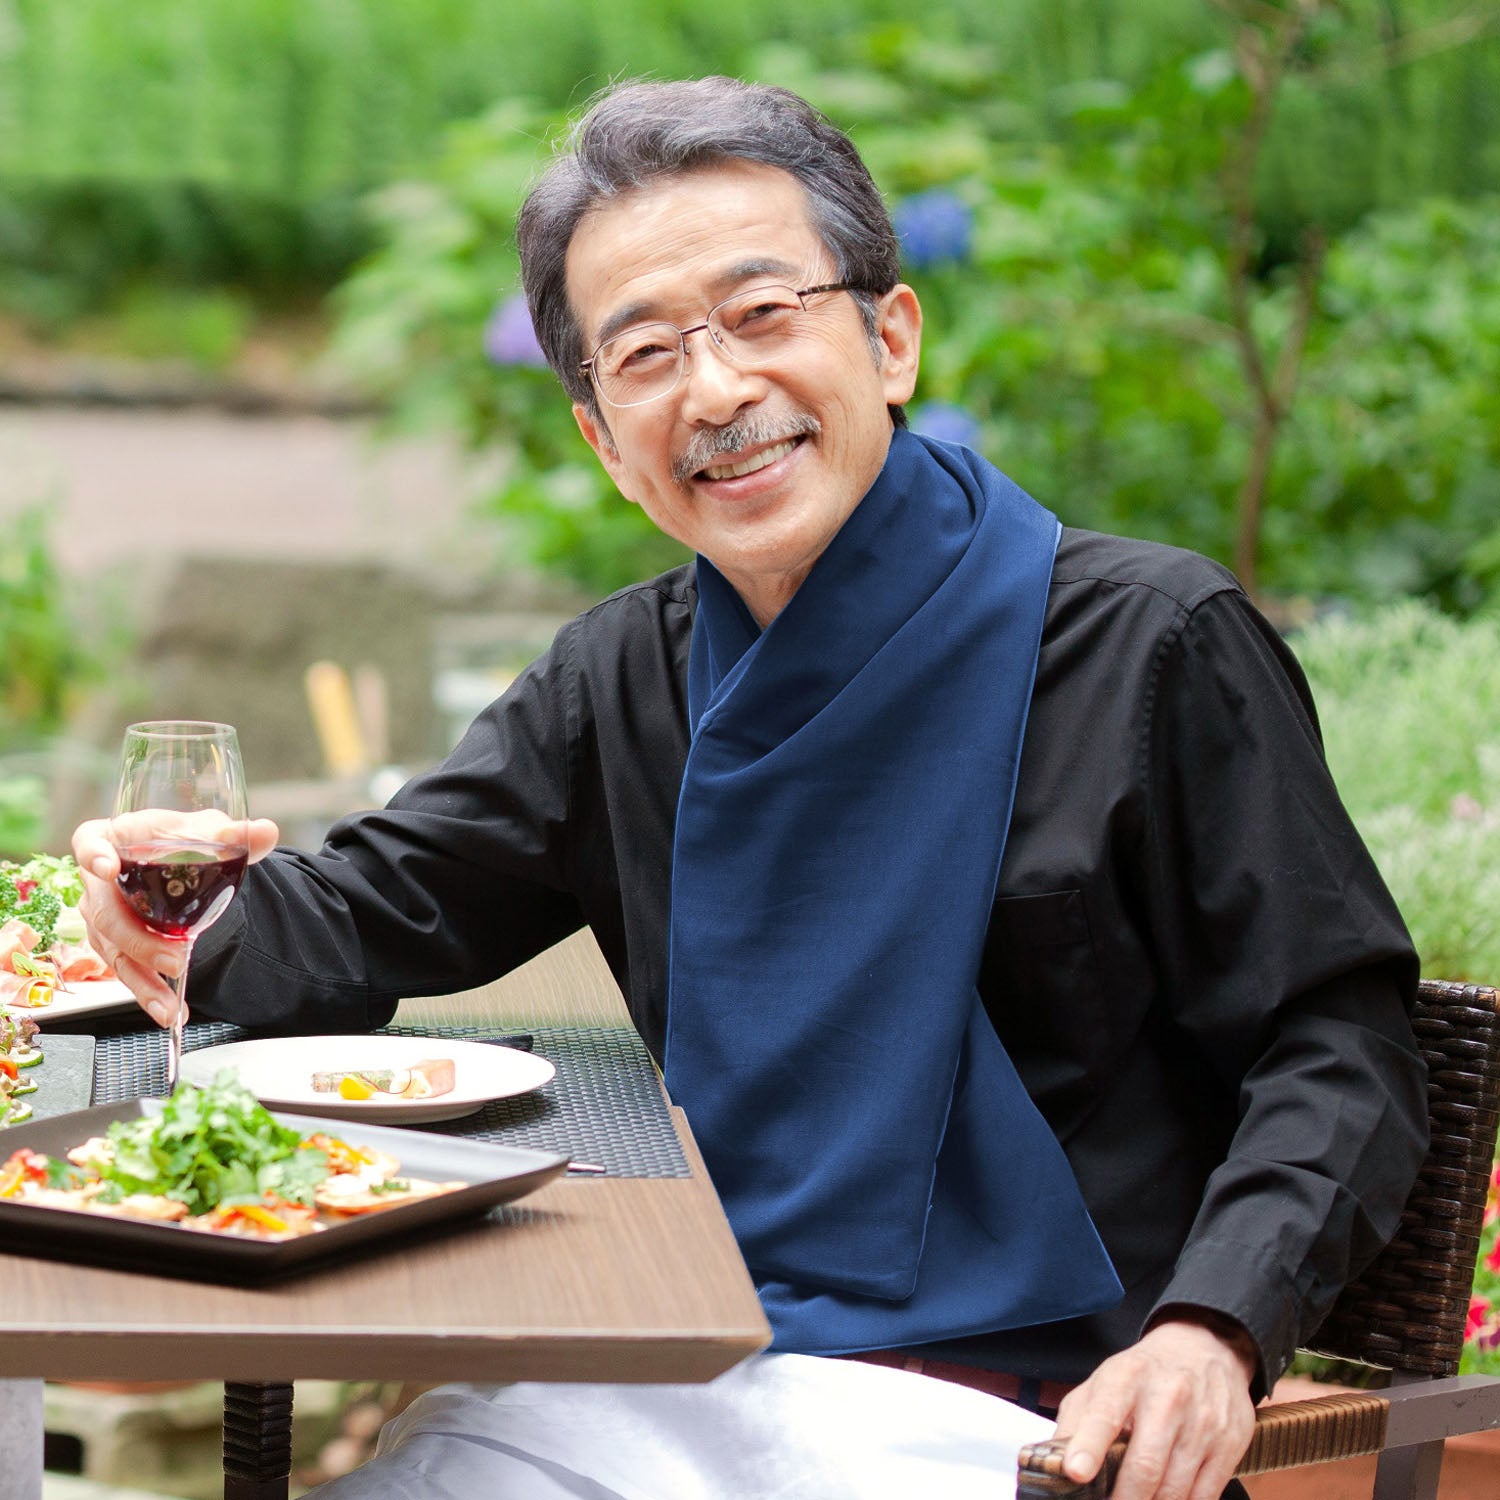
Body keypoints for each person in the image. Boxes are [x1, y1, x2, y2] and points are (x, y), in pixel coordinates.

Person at [74, 76, 1427, 1500]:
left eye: (764, 313)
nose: (716, 390)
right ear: (603, 440)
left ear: (891, 339)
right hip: (665, 1367)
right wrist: (174, 908)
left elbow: (1340, 1042)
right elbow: (372, 912)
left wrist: (1213, 1329)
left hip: (1021, 1422)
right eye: (646, 353)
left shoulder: (1151, 644)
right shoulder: (621, 678)